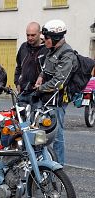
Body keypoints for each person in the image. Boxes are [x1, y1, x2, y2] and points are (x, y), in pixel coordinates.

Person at [34, 19, 77, 165]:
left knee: (57, 135)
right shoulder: (51, 50)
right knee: (40, 132)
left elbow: (59, 81)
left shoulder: (67, 54)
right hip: (46, 99)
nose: (44, 40)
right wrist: (40, 77)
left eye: (46, 38)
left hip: (57, 101)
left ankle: (58, 166)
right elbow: (46, 69)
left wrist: (40, 88)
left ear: (56, 37)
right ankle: (41, 163)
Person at [14, 22, 48, 100]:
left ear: (40, 33)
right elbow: (18, 67)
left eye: (33, 35)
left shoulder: (46, 49)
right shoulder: (23, 47)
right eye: (28, 35)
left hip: (39, 94)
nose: (30, 38)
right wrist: (17, 83)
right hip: (23, 93)